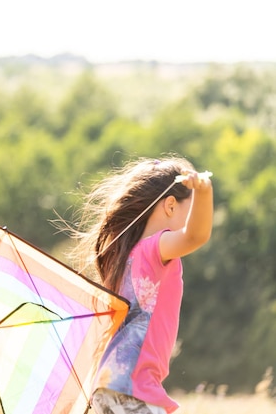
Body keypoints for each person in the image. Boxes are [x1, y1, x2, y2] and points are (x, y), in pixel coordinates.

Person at [67, 156, 213, 414]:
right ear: (170, 206)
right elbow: (195, 235)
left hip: (110, 386)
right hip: (133, 388)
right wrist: (204, 191)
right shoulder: (155, 248)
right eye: (190, 212)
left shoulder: (124, 257)